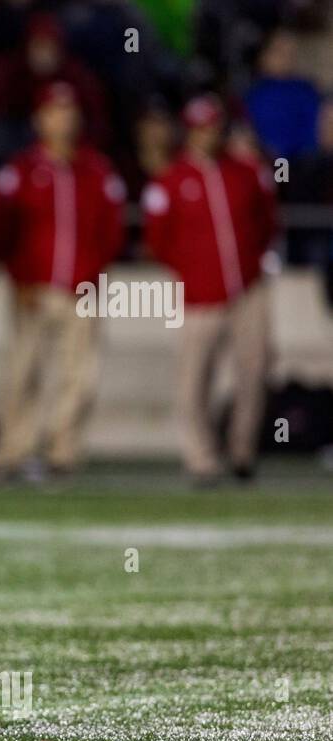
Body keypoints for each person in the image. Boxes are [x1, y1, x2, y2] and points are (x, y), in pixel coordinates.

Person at [143, 94, 277, 483]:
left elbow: (268, 223)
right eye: (201, 128)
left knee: (254, 369)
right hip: (200, 294)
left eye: (213, 127)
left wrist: (253, 263)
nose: (208, 135)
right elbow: (159, 240)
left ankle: (241, 451)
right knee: (192, 377)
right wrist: (191, 271)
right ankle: (200, 457)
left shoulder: (246, 171)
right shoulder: (171, 180)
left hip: (247, 289)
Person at [0, 82, 125, 479]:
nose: (63, 120)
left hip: (81, 290)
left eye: (69, 112)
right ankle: (15, 452)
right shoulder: (20, 170)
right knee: (22, 373)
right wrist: (20, 280)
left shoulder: (97, 170)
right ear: (40, 119)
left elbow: (112, 232)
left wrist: (94, 275)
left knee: (80, 376)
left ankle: (61, 452)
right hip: (32, 289)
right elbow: (4, 231)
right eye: (54, 111)